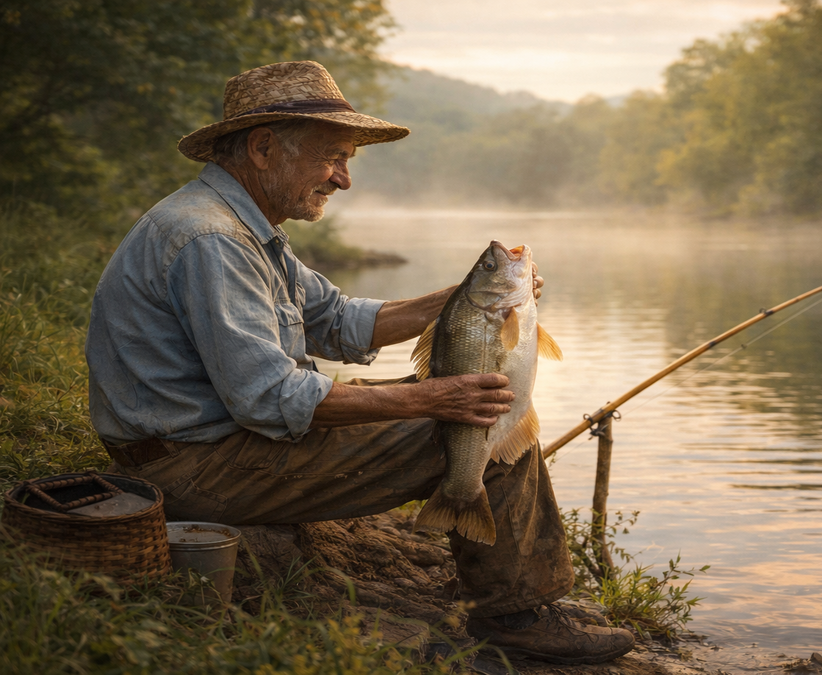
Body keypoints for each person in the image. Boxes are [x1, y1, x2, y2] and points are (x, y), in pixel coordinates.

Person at [85, 60, 634, 665]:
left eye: (348, 160)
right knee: (488, 423)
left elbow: (342, 321)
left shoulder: (243, 228)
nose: (343, 179)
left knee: (480, 406)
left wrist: (477, 298)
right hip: (195, 469)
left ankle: (496, 580)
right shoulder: (213, 240)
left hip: (204, 448)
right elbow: (270, 399)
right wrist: (433, 398)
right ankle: (516, 613)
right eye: (333, 157)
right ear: (264, 148)